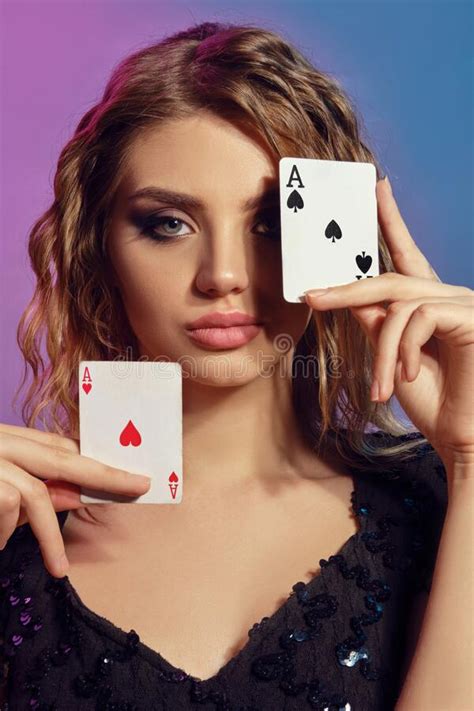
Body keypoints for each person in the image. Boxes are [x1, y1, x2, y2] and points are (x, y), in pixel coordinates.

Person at [0, 20, 472, 711]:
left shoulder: (444, 502)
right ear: (98, 247)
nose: (223, 276)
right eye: (169, 223)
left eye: (271, 224)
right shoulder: (13, 522)